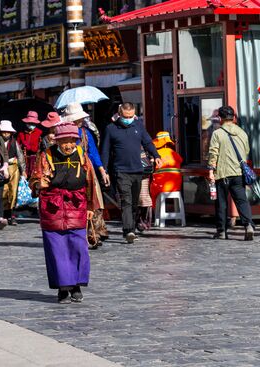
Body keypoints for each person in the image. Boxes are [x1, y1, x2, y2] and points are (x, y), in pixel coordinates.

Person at [29, 121, 102, 304]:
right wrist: (39, 184)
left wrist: (91, 207)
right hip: (52, 209)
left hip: (76, 206)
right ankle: (63, 288)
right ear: (57, 141)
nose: (68, 145)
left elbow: (90, 182)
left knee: (78, 248)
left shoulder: (82, 155)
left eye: (72, 141)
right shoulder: (46, 156)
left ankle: (76, 285)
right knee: (57, 250)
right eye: (64, 141)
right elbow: (34, 180)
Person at [101, 102, 161, 243]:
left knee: (134, 202)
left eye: (131, 116)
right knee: (126, 200)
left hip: (137, 170)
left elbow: (147, 142)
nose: (128, 118)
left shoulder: (138, 126)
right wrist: (104, 170)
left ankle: (131, 228)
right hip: (121, 170)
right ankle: (128, 230)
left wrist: (156, 156)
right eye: (125, 116)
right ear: (119, 114)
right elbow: (105, 151)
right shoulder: (111, 129)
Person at [63, 103, 109, 248]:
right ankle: (76, 233)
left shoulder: (85, 132)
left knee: (93, 202)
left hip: (86, 170)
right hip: (68, 171)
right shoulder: (62, 133)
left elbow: (93, 153)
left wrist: (102, 170)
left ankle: (92, 233)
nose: (80, 121)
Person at [208, 105, 255, 241]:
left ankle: (221, 231)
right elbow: (246, 152)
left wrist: (211, 171)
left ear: (220, 118)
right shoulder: (242, 132)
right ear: (233, 117)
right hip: (238, 172)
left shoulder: (217, 133)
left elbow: (213, 153)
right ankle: (248, 226)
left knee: (221, 203)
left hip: (222, 173)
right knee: (242, 201)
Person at [0, 119, 26, 225]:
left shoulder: (14, 142)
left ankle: (12, 215)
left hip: (13, 168)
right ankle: (5, 214)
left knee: (13, 191)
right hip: (1, 169)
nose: (6, 134)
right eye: (4, 131)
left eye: (8, 132)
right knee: (4, 192)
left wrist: (23, 170)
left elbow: (20, 157)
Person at [150, 131, 183, 203]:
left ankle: (155, 211)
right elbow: (180, 160)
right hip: (176, 187)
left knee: (151, 190)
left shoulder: (156, 154)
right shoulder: (174, 153)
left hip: (160, 188)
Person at [17, 111, 43, 177]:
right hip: (23, 159)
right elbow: (17, 145)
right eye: (29, 123)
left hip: (34, 159)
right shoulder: (21, 133)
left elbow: (38, 148)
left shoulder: (39, 133)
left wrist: (29, 147)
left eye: (33, 123)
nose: (31, 124)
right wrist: (21, 146)